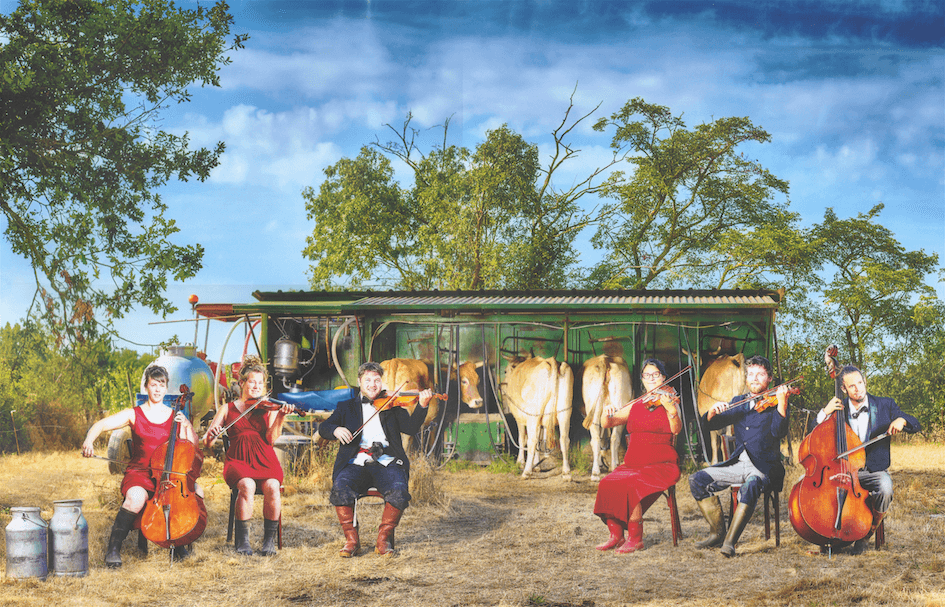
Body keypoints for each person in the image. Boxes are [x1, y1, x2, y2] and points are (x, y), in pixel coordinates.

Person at [81, 365, 204, 568]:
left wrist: (187, 427)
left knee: (194, 491)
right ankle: (113, 548)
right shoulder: (134, 414)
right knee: (136, 498)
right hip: (139, 473)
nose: (157, 389)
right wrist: (89, 441)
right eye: (153, 384)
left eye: (161, 385)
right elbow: (101, 425)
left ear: (166, 388)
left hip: (168, 477)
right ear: (146, 387)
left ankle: (180, 542)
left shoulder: (175, 416)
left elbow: (191, 449)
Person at [318, 361, 432, 557]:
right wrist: (335, 429)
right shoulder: (346, 407)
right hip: (356, 462)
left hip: (387, 461)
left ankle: (383, 540)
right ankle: (352, 541)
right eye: (368, 380)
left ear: (382, 382)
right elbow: (324, 428)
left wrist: (422, 406)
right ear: (359, 381)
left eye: (377, 380)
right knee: (341, 487)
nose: (372, 384)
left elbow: (411, 428)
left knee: (398, 490)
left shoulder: (393, 406)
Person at [689, 355, 790, 557]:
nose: (754, 378)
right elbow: (713, 424)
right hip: (738, 462)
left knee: (750, 485)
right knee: (697, 480)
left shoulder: (776, 403)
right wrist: (711, 413)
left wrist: (782, 405)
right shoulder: (739, 402)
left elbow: (779, 432)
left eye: (760, 374)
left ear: (769, 378)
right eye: (750, 374)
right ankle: (717, 533)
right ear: (746, 378)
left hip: (763, 467)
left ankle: (729, 543)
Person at [815, 364, 921, 554]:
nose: (859, 388)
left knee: (886, 488)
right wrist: (824, 412)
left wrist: (901, 421)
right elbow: (814, 435)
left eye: (860, 382)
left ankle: (867, 533)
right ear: (843, 389)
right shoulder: (837, 409)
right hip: (842, 470)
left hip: (873, 470)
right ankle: (829, 535)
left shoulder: (884, 404)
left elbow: (915, 423)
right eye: (852, 386)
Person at [203, 356, 296, 556]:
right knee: (247, 485)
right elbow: (207, 443)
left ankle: (268, 541)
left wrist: (280, 416)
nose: (256, 386)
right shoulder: (227, 409)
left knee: (272, 486)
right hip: (238, 460)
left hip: (264, 458)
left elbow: (271, 439)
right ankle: (242, 541)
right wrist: (211, 436)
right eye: (252, 382)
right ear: (242, 383)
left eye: (260, 383)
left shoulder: (268, 407)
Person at [593, 358, 682, 554]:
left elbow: (676, 430)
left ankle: (635, 538)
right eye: (647, 375)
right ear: (642, 379)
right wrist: (606, 412)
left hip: (662, 464)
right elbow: (608, 423)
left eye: (656, 374)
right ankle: (616, 535)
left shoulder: (671, 401)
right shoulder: (637, 403)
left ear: (664, 377)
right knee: (607, 482)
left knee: (632, 484)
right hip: (633, 464)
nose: (651, 378)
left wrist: (670, 410)